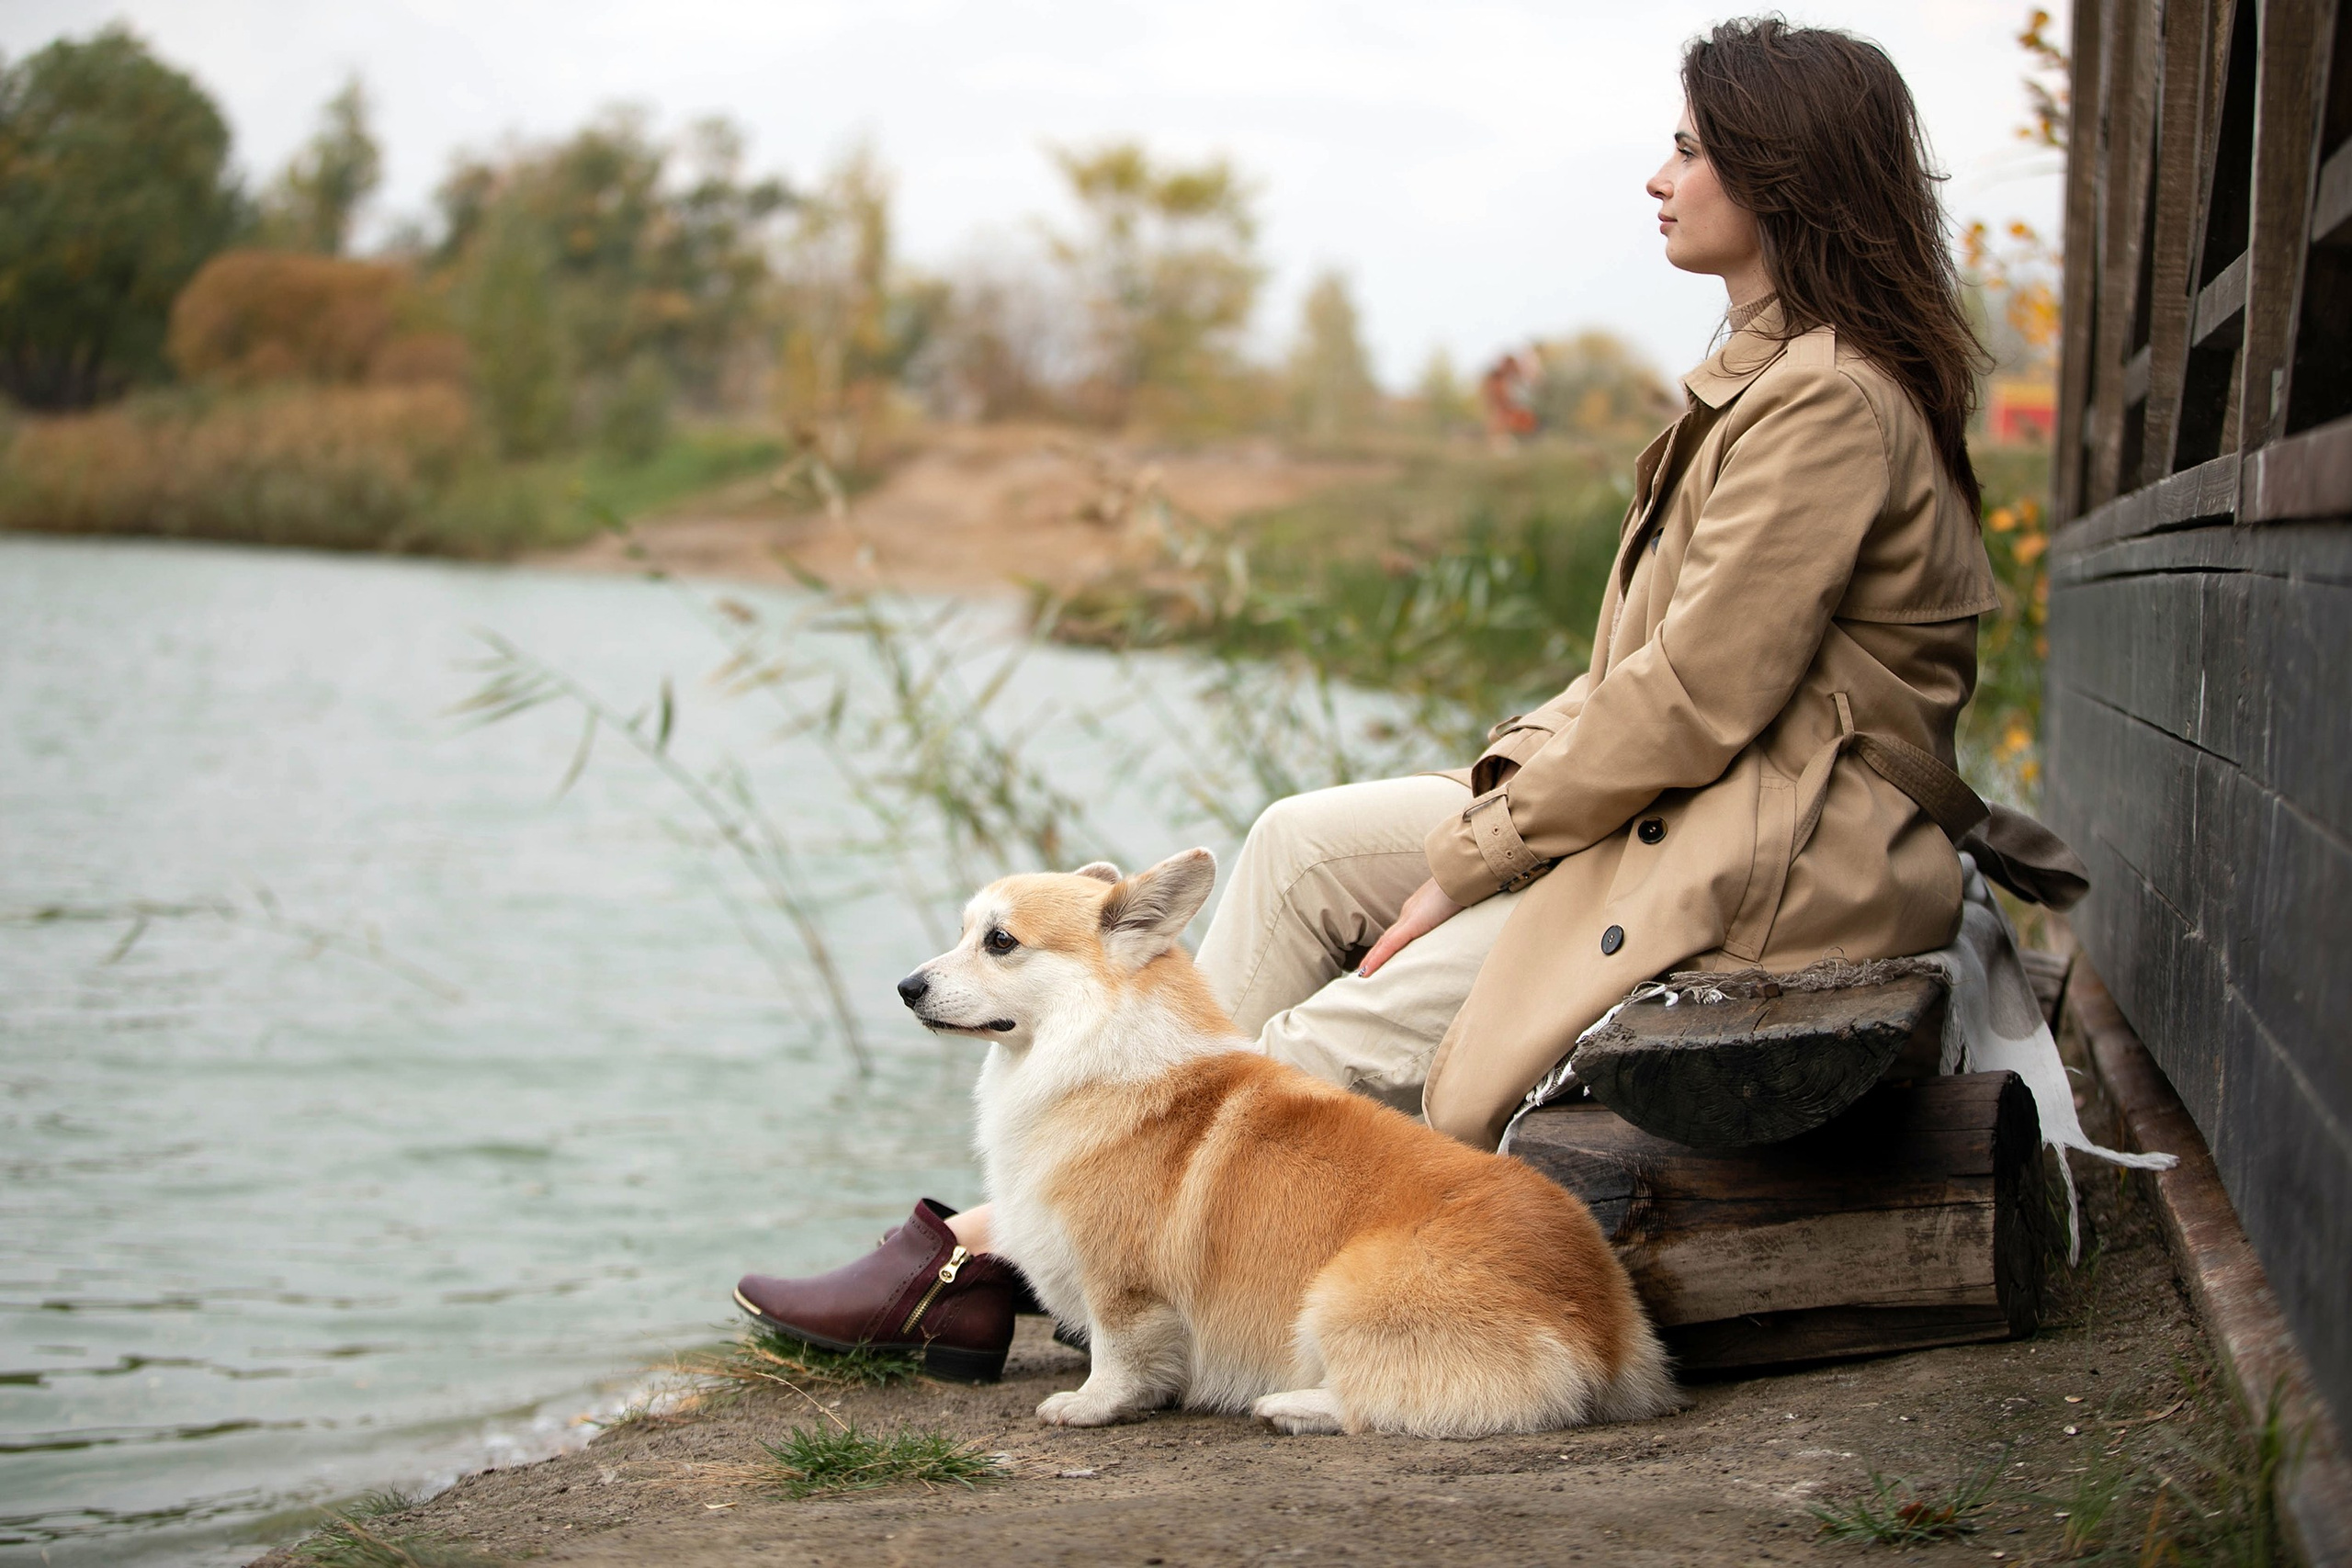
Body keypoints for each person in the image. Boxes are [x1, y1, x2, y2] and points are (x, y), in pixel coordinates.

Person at [735, 17, 2005, 1382]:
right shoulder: (1766, 382)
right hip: (1713, 805)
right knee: (1295, 841)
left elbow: (1695, 698)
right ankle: (1095, 1235)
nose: (1658, 178)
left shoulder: (1818, 405)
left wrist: (1480, 856)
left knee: (1310, 1045)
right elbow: (1642, 681)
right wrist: (1501, 790)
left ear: (1782, 176)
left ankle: (991, 1253)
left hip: (1785, 855)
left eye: (1690, 151)